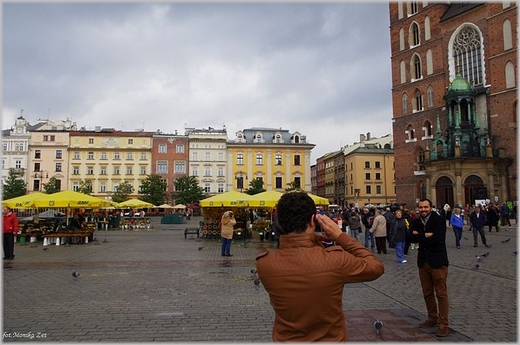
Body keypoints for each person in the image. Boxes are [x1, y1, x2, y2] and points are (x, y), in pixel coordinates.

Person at [256, 192, 384, 341]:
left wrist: (312, 240)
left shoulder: (264, 264)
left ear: (280, 223)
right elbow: (375, 267)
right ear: (313, 220)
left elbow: (300, 260)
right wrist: (340, 236)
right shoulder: (335, 260)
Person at [408, 198, 450, 337]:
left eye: (426, 207)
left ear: (431, 207)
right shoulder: (416, 221)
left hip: (438, 262)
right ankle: (432, 318)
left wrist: (420, 236)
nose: (423, 209)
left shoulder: (438, 220)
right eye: (421, 207)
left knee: (441, 294)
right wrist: (425, 235)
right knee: (427, 293)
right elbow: (410, 238)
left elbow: (438, 238)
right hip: (423, 262)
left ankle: (443, 324)